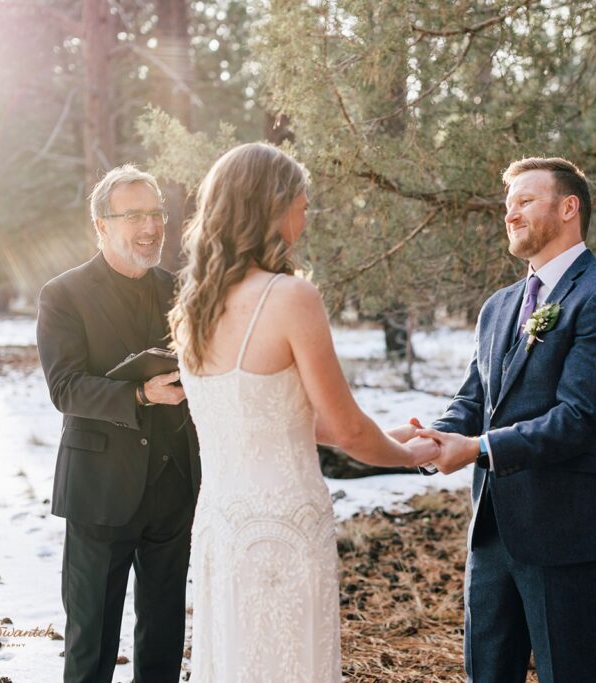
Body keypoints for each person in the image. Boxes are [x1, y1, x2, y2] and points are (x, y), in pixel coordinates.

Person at [169, 142, 439, 682]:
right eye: (300, 199)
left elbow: (270, 414)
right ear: (270, 208)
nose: (306, 212)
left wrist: (381, 435)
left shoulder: (191, 308)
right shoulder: (291, 297)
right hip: (286, 522)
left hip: (222, 520)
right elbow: (345, 428)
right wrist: (408, 457)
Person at [415, 157, 596, 682]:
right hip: (493, 533)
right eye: (507, 206)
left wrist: (478, 450)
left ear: (569, 208)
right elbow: (475, 399)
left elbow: (581, 418)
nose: (510, 215)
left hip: (566, 531)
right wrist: (431, 440)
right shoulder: (498, 307)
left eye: (524, 202)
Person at [36, 164, 200, 683]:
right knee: (91, 643)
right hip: (100, 492)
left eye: (156, 214)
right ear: (101, 225)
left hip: (173, 489)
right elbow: (65, 389)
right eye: (135, 216)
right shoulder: (62, 295)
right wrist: (138, 392)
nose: (150, 227)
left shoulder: (180, 291)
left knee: (164, 637)